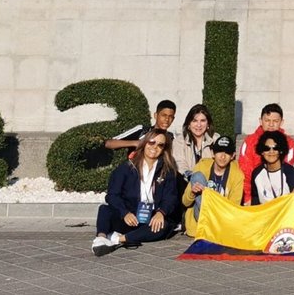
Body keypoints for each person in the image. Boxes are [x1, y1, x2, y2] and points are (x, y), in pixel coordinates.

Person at [91, 129, 182, 257]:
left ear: (164, 148)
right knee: (105, 210)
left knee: (164, 226)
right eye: (151, 142)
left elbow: (171, 197)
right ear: (144, 143)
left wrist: (161, 213)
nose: (154, 147)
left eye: (160, 145)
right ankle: (101, 238)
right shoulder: (126, 168)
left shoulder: (167, 171)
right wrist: (125, 213)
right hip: (129, 217)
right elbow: (112, 195)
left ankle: (118, 239)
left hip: (151, 217)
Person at [239, 103, 294, 204]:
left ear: (281, 122)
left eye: (275, 121)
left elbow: (286, 172)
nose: (271, 124)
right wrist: (248, 198)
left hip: (281, 197)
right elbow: (245, 172)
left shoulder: (289, 143)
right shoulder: (249, 141)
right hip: (257, 193)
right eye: (267, 120)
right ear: (260, 121)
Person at [181, 134, 243, 225]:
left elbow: (234, 206)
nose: (223, 156)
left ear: (233, 156)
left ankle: (214, 223)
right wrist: (192, 192)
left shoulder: (237, 175)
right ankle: (211, 221)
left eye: (227, 152)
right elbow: (185, 202)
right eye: (219, 151)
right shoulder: (201, 166)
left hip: (222, 217)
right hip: (202, 217)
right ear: (213, 153)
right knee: (197, 176)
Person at [250, 131, 294, 204]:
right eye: (266, 148)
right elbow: (255, 200)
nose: (271, 151)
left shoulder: (290, 172)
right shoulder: (256, 173)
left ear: (281, 151)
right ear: (262, 152)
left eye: (275, 148)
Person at [105, 99, 177, 153]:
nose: (167, 119)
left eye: (170, 116)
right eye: (164, 115)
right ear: (156, 115)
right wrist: (136, 143)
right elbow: (109, 143)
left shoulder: (172, 138)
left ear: (173, 119)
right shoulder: (141, 130)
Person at [172, 104, 219, 177]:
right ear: (188, 124)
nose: (199, 125)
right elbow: (179, 163)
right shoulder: (179, 141)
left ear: (208, 124)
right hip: (186, 182)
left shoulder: (216, 140)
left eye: (202, 121)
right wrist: (193, 177)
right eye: (195, 121)